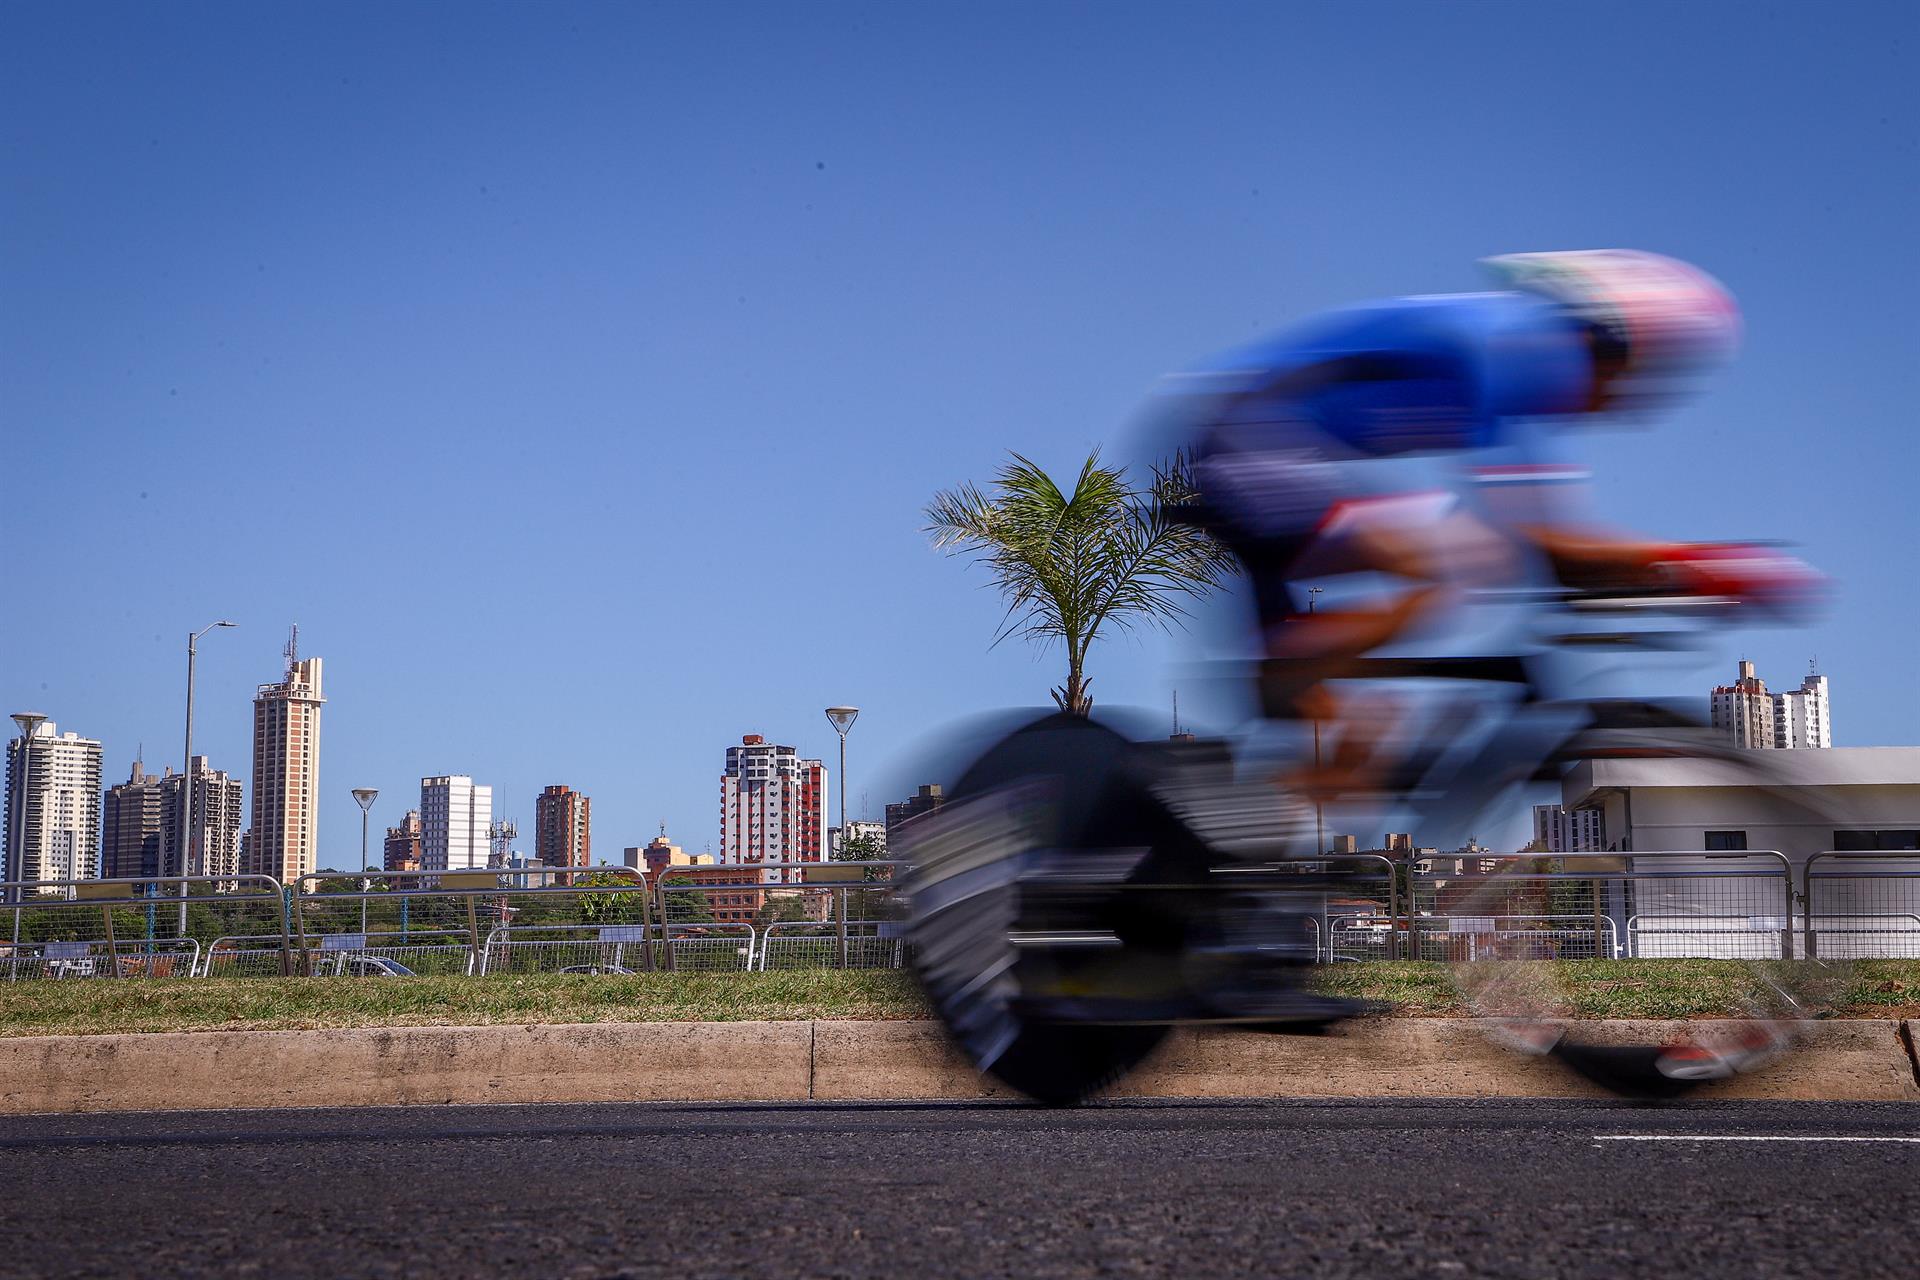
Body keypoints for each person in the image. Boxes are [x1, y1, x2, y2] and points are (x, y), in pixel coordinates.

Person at [1164, 249, 1807, 797]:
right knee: (1452, 563)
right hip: (1243, 448)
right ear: (1605, 337)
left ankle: (1259, 833)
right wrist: (1700, 562)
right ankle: (1285, 672)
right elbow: (1541, 537)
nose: (1624, 404)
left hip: (1247, 447)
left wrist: (1644, 571)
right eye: (1634, 378)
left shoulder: (1516, 346)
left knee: (1352, 728)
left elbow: (1550, 542)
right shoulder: (1514, 346)